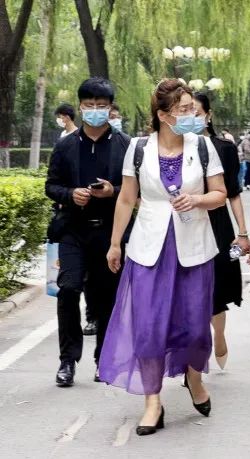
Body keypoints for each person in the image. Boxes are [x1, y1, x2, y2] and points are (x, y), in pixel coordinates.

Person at [99, 79, 228, 436]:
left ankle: (194, 379)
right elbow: (127, 198)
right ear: (163, 114)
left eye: (191, 109)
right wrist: (115, 243)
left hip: (194, 247)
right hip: (148, 249)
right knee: (149, 326)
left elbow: (220, 193)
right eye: (183, 110)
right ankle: (152, 401)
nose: (191, 114)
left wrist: (197, 199)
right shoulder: (139, 148)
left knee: (195, 326)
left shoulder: (202, 146)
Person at [45, 77, 131, 386]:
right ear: (80, 107)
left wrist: (112, 191)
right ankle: (67, 360)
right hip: (73, 229)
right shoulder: (66, 145)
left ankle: (103, 360)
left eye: (101, 106)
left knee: (105, 297)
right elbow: (51, 185)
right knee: (68, 290)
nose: (95, 111)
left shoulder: (126, 145)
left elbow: (137, 189)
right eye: (90, 105)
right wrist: (71, 194)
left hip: (110, 232)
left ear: (110, 108)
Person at [193, 92, 250, 370]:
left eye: (195, 112)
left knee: (217, 283)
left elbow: (234, 193)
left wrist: (243, 232)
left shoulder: (224, 148)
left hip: (218, 224)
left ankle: (218, 333)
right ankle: (195, 346)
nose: (189, 118)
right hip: (186, 221)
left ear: (208, 115)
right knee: (191, 286)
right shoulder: (171, 149)